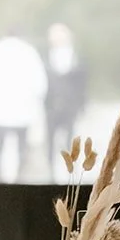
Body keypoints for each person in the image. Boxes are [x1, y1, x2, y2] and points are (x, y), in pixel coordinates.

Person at [0, 28, 48, 183]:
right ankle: (19, 178)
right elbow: (40, 84)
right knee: (21, 148)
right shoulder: (29, 52)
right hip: (23, 111)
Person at [44, 23, 89, 178]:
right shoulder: (46, 57)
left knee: (70, 137)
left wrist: (82, 105)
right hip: (51, 106)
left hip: (70, 105)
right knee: (50, 138)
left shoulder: (76, 57)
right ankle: (50, 170)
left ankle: (70, 169)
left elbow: (82, 84)